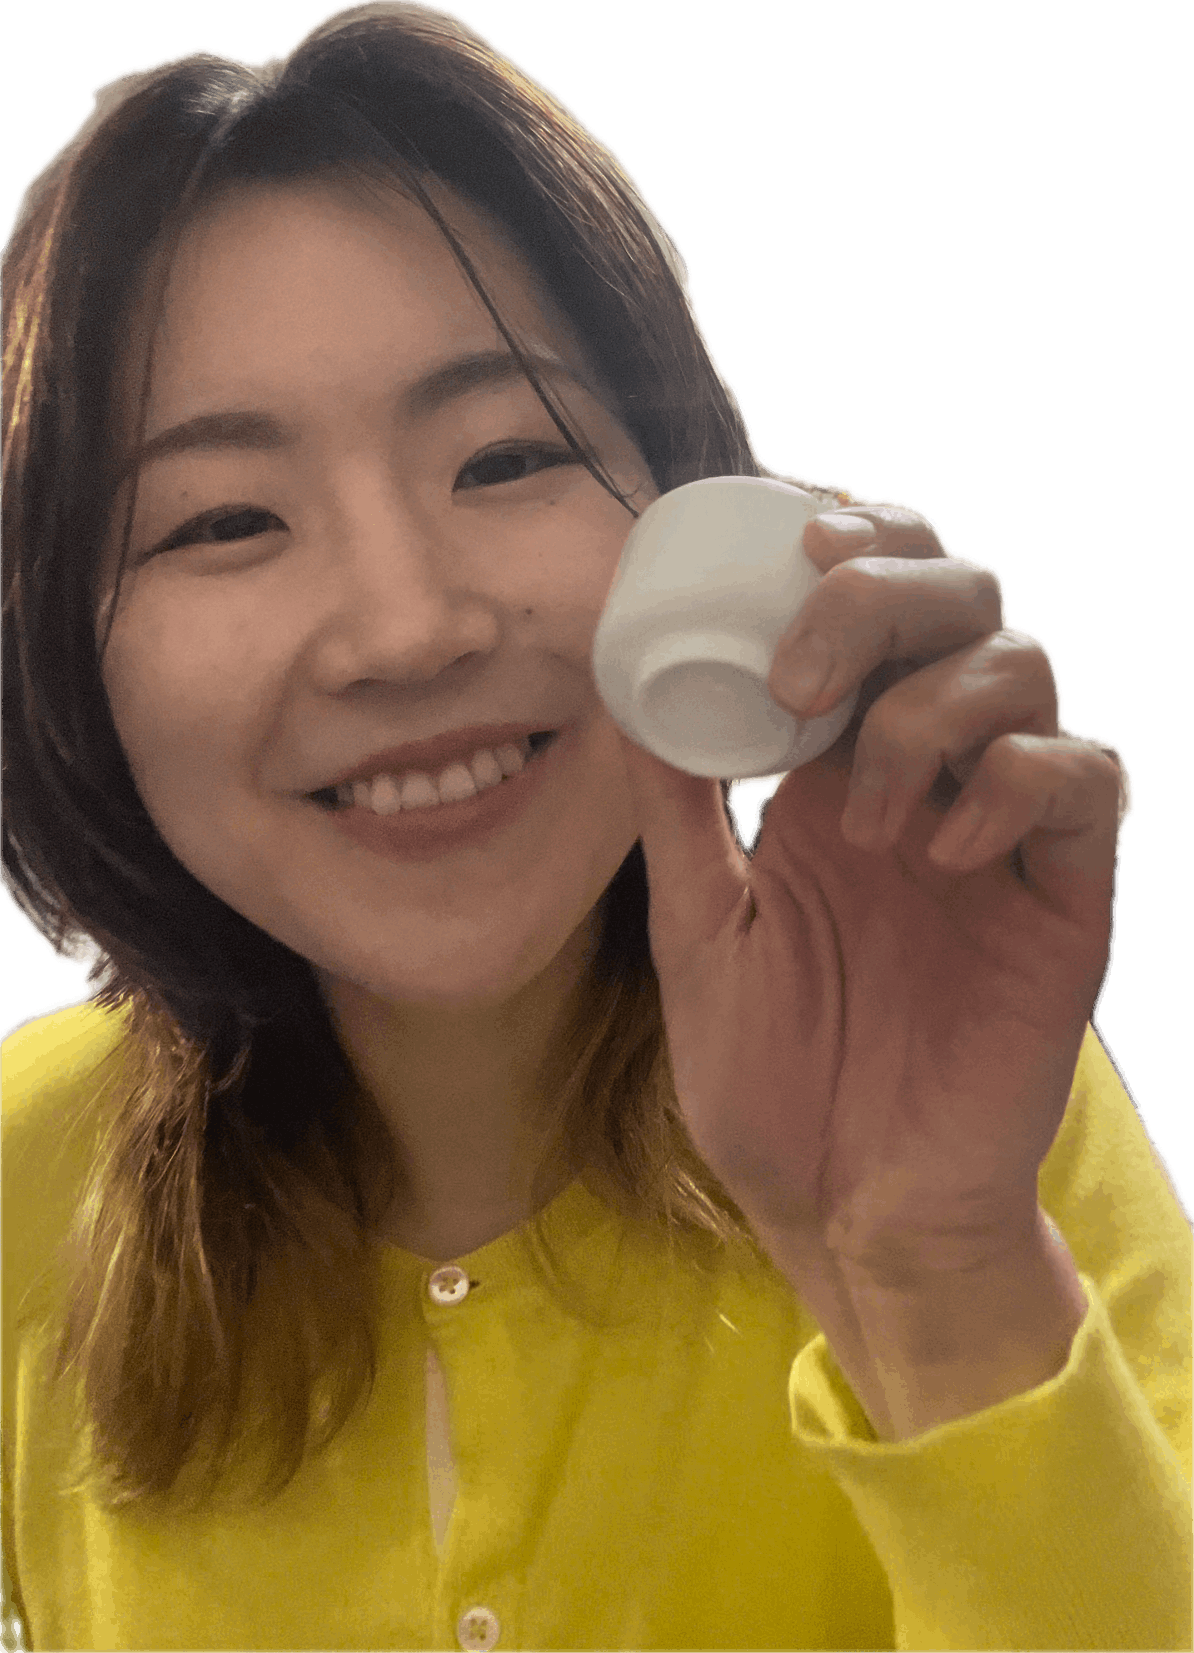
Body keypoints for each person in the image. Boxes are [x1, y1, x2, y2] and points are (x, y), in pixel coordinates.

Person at [1, 5, 1188, 1650]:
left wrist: (933, 1278)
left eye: (507, 456)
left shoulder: (978, 1128)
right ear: (64, 651)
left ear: (691, 512)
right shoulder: (17, 1179)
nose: (408, 628)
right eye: (223, 520)